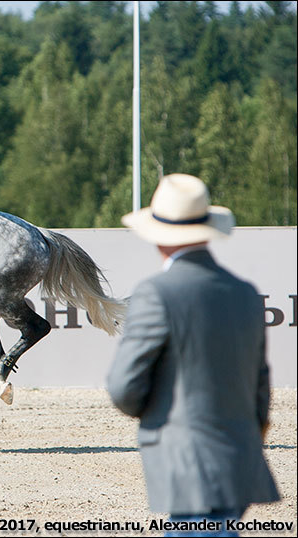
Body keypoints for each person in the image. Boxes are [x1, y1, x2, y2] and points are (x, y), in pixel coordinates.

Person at [106, 174, 279, 537]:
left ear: (158, 235)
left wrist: (158, 413)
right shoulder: (245, 292)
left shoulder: (156, 292)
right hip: (240, 457)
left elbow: (124, 388)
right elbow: (260, 384)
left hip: (186, 461)